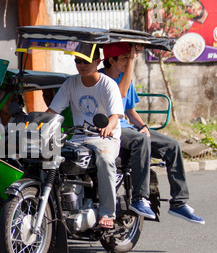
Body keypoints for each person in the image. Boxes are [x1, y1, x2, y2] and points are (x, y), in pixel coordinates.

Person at [100, 42, 205, 224]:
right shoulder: (101, 79)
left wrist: (143, 126)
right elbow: (120, 96)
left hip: (128, 126)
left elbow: (130, 110)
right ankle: (140, 198)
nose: (129, 61)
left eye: (129, 58)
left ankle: (179, 202)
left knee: (172, 146)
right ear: (111, 60)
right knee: (140, 141)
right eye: (125, 58)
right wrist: (132, 61)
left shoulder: (125, 76)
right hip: (112, 128)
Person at [46, 46, 124, 229]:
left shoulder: (108, 84)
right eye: (78, 61)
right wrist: (35, 124)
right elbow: (52, 111)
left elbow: (115, 116)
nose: (81, 65)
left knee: (105, 159)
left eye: (85, 61)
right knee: (47, 157)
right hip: (77, 138)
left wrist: (108, 127)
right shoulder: (70, 84)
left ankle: (107, 213)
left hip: (104, 138)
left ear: (97, 62)